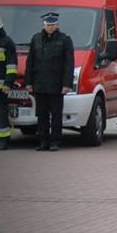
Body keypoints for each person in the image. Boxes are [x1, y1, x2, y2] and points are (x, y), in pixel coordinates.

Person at [26, 12, 74, 151]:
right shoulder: (36, 39)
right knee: (42, 115)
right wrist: (29, 82)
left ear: (57, 25)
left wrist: (67, 84)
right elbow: (30, 62)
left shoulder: (64, 40)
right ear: (44, 25)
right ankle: (43, 141)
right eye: (48, 25)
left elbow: (69, 64)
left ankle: (55, 141)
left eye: (53, 25)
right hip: (39, 84)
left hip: (57, 85)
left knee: (56, 115)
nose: (50, 28)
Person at [0, 10, 18, 150]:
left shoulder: (7, 42)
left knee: (0, 113)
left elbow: (11, 66)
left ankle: (3, 140)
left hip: (0, 87)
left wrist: (8, 83)